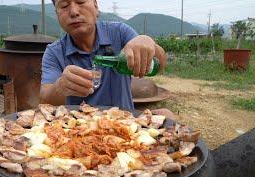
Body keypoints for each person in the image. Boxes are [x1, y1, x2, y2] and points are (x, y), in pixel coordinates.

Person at [40, 0, 171, 116]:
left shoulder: (119, 32)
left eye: (80, 2)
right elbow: (45, 98)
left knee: (166, 114)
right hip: (79, 129)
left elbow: (162, 64)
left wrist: (148, 43)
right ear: (57, 14)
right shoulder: (54, 52)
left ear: (95, 6)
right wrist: (60, 86)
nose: (74, 12)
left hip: (124, 122)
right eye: (64, 6)